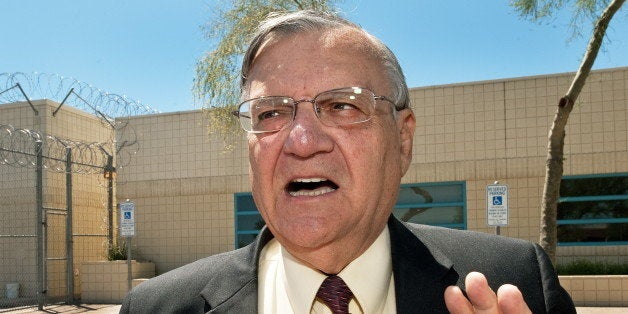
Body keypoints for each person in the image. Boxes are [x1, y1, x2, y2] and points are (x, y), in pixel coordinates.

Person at [120, 10, 575, 313]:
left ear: (403, 139)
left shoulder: (515, 283)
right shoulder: (157, 307)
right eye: (271, 113)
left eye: (342, 106)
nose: (301, 141)